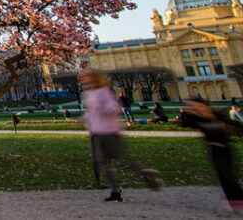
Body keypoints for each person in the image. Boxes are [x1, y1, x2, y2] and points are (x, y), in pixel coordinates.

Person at [80, 69, 161, 202]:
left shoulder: (104, 92)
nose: (83, 80)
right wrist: (86, 118)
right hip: (96, 133)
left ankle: (146, 173)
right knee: (103, 163)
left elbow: (115, 108)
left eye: (86, 77)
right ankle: (115, 191)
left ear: (95, 78)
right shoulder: (89, 93)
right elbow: (92, 113)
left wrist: (101, 109)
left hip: (108, 132)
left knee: (123, 162)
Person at [179, 96, 243, 211]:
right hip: (214, 150)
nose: (194, 108)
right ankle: (234, 202)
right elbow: (184, 123)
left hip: (225, 149)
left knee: (228, 176)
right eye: (191, 107)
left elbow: (235, 126)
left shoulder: (217, 117)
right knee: (223, 177)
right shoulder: (197, 119)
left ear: (204, 105)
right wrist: (186, 114)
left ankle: (239, 199)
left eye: (195, 106)